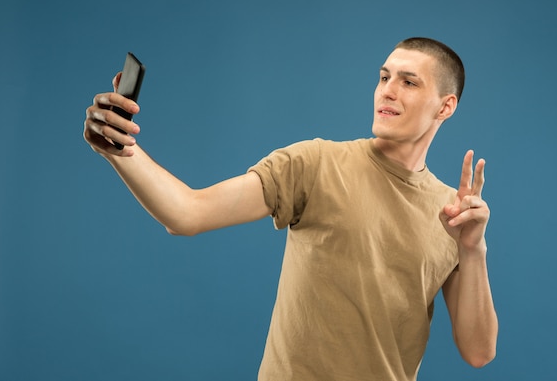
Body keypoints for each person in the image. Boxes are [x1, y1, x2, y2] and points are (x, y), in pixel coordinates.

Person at [84, 37, 498, 380]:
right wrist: (120, 151)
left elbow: (479, 352)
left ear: (445, 106)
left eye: (409, 82)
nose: (387, 90)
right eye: (384, 77)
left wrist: (472, 250)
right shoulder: (314, 164)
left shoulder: (454, 214)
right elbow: (188, 213)